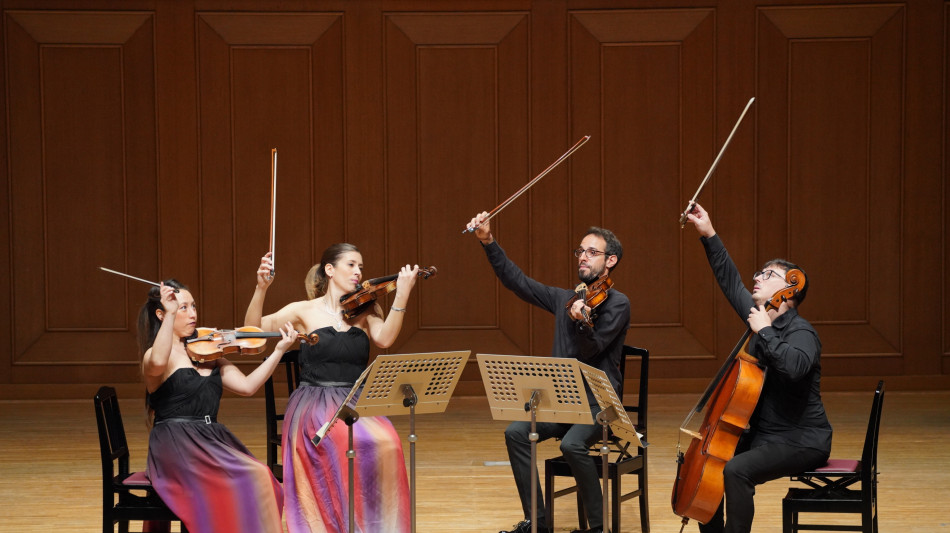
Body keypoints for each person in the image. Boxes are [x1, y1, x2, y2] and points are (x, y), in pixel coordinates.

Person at [466, 212, 631, 533]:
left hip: (603, 406)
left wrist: (582, 322)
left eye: (591, 252)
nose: (582, 257)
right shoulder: (564, 299)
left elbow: (591, 351)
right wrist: (487, 241)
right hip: (565, 403)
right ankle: (538, 522)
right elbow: (517, 281)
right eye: (580, 251)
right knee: (516, 432)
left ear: (610, 261)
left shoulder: (618, 304)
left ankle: (597, 529)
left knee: (571, 446)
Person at [244, 247, 419, 533]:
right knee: (344, 440)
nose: (358, 272)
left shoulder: (367, 309)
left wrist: (402, 293)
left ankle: (373, 526)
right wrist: (260, 289)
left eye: (360, 266)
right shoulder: (303, 310)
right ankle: (337, 524)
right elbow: (253, 333)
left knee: (389, 442)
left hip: (355, 400)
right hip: (314, 403)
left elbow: (385, 339)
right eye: (350, 265)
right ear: (329, 270)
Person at [683, 203, 832, 533]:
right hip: (766, 435)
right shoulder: (758, 316)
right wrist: (708, 232)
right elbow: (730, 279)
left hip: (802, 439)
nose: (757, 277)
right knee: (709, 460)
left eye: (768, 275)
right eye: (759, 273)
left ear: (789, 290)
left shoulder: (802, 332)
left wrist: (764, 330)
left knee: (736, 470)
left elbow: (795, 368)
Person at [138, 279, 297, 533]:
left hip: (210, 439)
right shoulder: (157, 356)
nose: (193, 314)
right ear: (162, 313)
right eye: (183, 308)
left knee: (262, 476)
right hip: (176, 444)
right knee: (251, 477)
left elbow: (247, 386)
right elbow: (157, 361)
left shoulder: (208, 351)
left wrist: (278, 350)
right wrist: (169, 315)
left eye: (194, 306)